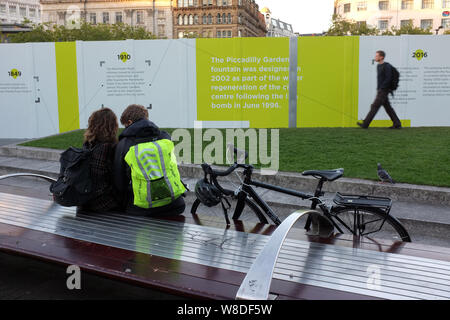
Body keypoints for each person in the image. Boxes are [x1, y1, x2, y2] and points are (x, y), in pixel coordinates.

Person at [113, 104, 186, 216]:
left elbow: (119, 183)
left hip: (143, 209)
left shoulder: (124, 144)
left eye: (125, 125)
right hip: (176, 204)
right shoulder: (164, 137)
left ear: (130, 122)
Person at [79, 108, 120, 213]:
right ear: (112, 126)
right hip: (103, 203)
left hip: (84, 201)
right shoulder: (110, 147)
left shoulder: (87, 144)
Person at [357, 50, 402, 129]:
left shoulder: (387, 66)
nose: (375, 57)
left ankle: (365, 124)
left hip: (384, 90)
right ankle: (397, 123)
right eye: (375, 56)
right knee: (388, 107)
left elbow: (388, 78)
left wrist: (382, 88)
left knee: (374, 106)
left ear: (382, 57)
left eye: (377, 56)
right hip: (380, 90)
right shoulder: (378, 66)